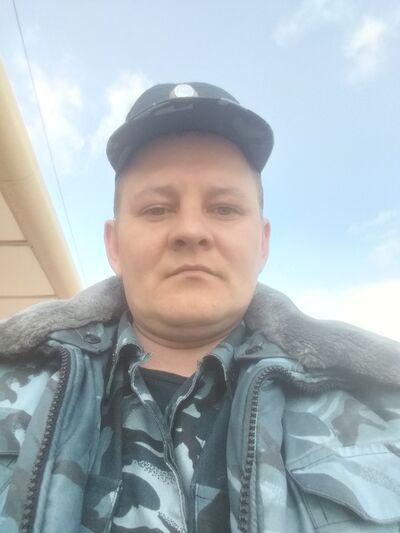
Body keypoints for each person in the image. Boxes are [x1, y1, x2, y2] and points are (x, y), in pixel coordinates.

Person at [0, 82, 399, 533]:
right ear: (114, 245)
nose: (190, 231)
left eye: (224, 209)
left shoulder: (385, 408)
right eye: (156, 209)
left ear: (262, 243)